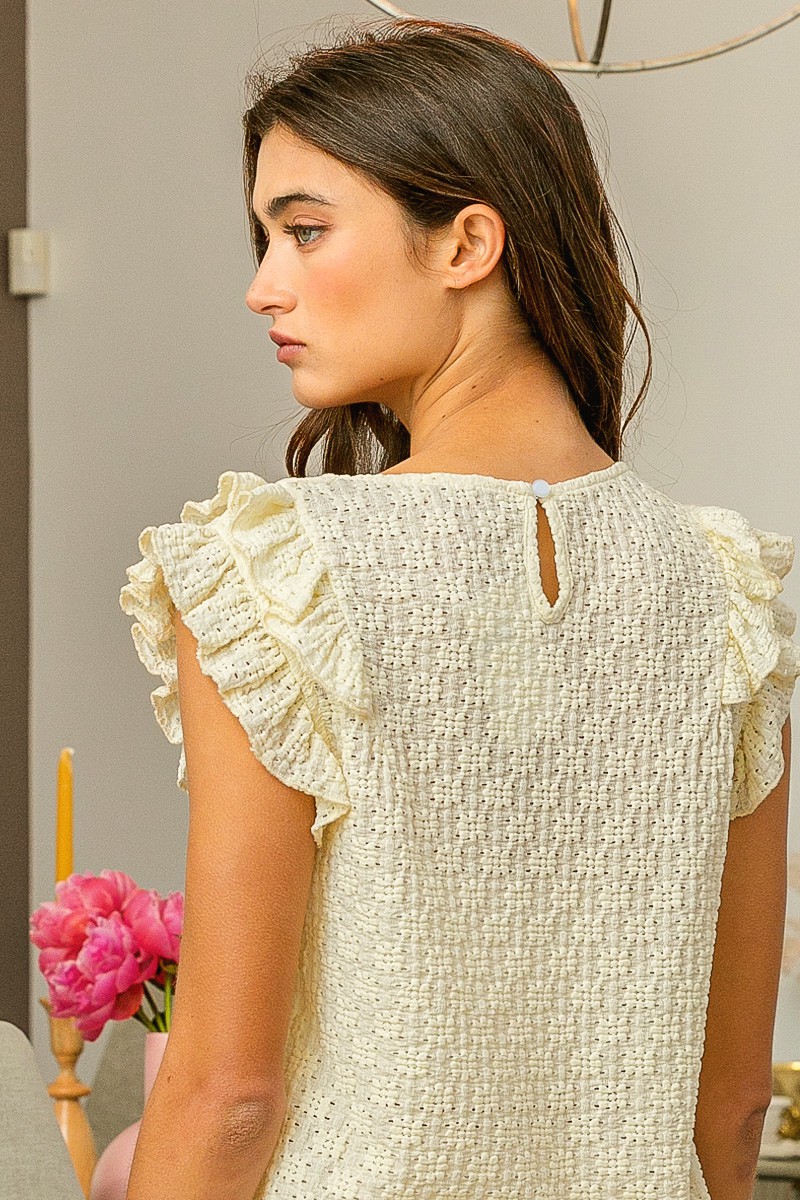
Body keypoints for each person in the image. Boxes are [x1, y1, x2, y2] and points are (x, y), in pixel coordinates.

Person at [118, 17, 800, 1200]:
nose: (263, 286)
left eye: (304, 230)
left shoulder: (280, 574)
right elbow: (732, 1101)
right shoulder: (723, 590)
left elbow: (228, 1094)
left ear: (467, 243)